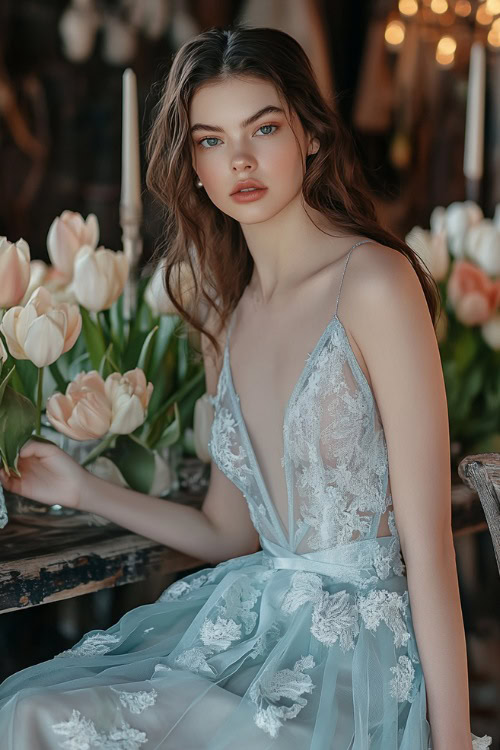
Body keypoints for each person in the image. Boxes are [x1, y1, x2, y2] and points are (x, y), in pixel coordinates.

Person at [0, 24, 493, 750]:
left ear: (311, 135)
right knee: (30, 712)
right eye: (210, 140)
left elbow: (428, 549)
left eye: (264, 127)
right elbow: (229, 531)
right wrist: (82, 490)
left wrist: (452, 743)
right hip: (257, 622)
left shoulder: (375, 284)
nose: (239, 160)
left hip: (358, 659)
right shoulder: (228, 314)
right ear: (192, 164)